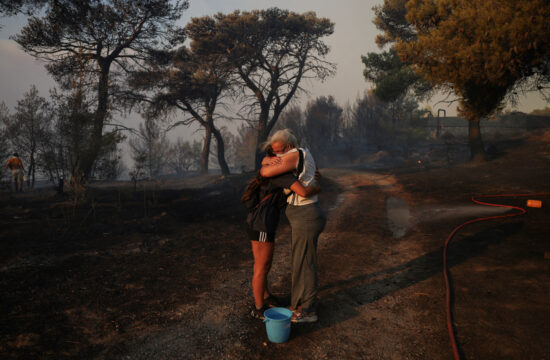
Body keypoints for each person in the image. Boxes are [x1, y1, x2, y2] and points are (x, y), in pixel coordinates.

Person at [242, 147, 321, 320]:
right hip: (262, 225)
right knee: (262, 267)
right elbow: (303, 191)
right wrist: (316, 188)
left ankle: (265, 297)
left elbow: (287, 187)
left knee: (262, 265)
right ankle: (258, 308)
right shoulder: (282, 175)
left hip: (256, 222)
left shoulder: (276, 172)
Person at [260, 129, 326, 323]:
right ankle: (297, 304)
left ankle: (308, 310)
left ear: (289, 146)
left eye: (279, 151)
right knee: (299, 261)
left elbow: (265, 171)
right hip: (304, 215)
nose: (276, 156)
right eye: (273, 152)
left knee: (305, 263)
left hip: (306, 215)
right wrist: (270, 159)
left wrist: (268, 163)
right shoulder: (300, 155)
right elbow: (266, 162)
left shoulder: (295, 154)